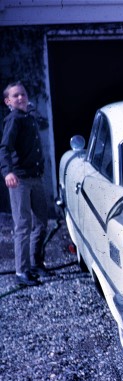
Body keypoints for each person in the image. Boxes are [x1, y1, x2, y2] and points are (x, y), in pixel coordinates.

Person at [0, 81, 49, 286]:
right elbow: (4, 148)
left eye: (23, 94)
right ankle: (21, 272)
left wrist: (32, 109)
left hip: (36, 177)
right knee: (23, 225)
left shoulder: (28, 116)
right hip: (20, 179)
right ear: (8, 101)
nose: (21, 98)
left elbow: (44, 123)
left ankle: (36, 264)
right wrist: (7, 172)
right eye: (16, 96)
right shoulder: (14, 119)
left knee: (41, 222)